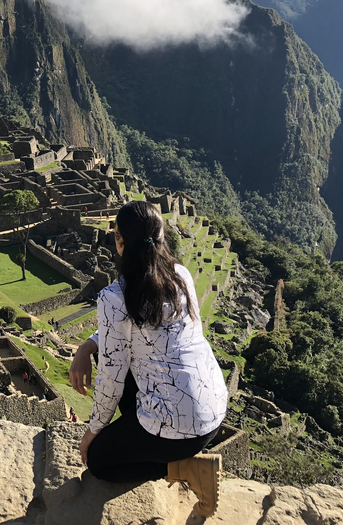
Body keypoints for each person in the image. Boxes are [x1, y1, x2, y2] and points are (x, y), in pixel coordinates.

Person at [69, 201, 228, 517]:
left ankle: (185, 468)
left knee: (99, 462)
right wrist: (88, 346)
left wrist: (93, 432)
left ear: (119, 242)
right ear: (161, 238)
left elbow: (112, 379)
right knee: (115, 358)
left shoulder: (114, 297)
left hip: (181, 430)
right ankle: (164, 447)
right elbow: (139, 334)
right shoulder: (180, 276)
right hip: (214, 411)